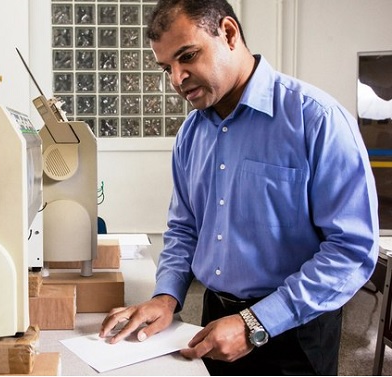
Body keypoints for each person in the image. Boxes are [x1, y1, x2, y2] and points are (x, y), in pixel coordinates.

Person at [99, 0, 380, 375]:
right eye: (167, 67)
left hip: (294, 329)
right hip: (213, 317)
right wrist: (166, 297)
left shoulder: (318, 121)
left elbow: (352, 250)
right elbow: (185, 228)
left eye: (188, 57)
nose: (177, 79)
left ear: (228, 33)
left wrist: (255, 324)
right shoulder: (191, 135)